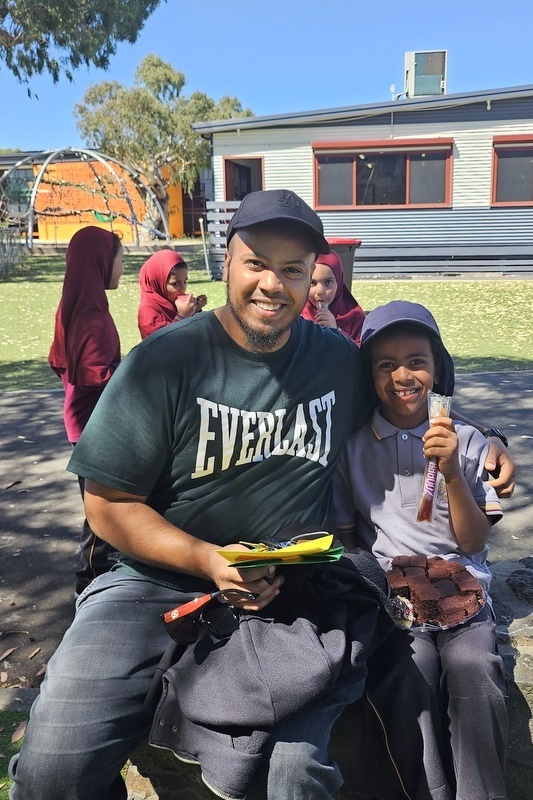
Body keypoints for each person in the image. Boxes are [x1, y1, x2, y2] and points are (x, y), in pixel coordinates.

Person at [10, 192, 515, 800]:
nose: (273, 284)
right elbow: (107, 503)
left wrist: (487, 439)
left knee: (292, 773)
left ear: (311, 281)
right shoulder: (162, 362)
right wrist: (206, 561)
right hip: (149, 583)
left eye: (293, 270)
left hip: (290, 588)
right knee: (52, 769)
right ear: (225, 263)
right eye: (257, 263)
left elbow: (408, 395)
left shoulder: (336, 362)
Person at [333, 300, 509, 800]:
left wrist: (452, 469)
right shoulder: (352, 448)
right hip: (393, 595)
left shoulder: (469, 442)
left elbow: (473, 541)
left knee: (475, 669)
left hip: (463, 588)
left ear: (437, 368)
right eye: (385, 365)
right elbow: (348, 535)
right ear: (368, 376)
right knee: (410, 675)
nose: (402, 376)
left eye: (416, 361)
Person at [48, 225, 124, 596]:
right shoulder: (91, 315)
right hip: (95, 429)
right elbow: (97, 378)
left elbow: (61, 363)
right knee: (102, 517)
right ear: (101, 261)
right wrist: (136, 375)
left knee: (105, 510)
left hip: (84, 424)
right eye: (119, 259)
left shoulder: (76, 301)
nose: (122, 267)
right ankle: (88, 587)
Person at [137, 248, 207, 339]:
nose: (183, 288)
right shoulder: (148, 311)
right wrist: (182, 317)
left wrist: (195, 310)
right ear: (158, 283)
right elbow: (160, 344)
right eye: (175, 283)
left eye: (185, 281)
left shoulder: (171, 302)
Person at [300, 250, 365, 345]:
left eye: (328, 282)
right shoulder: (297, 313)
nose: (320, 291)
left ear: (339, 281)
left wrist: (336, 331)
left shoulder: (355, 316)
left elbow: (361, 353)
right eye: (312, 283)